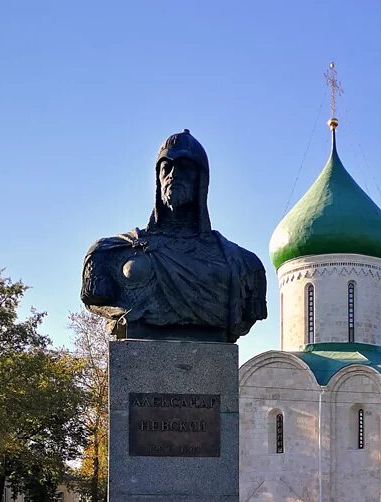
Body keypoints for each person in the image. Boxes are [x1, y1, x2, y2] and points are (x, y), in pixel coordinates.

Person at [81, 129, 267, 342]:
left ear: (201, 180)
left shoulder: (243, 263)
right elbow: (98, 298)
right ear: (158, 179)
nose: (173, 175)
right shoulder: (109, 253)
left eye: (185, 168)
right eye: (166, 167)